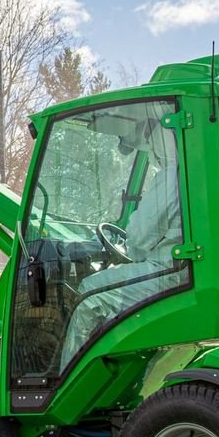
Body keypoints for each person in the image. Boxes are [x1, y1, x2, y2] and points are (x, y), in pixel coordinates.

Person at [58, 133, 185, 370]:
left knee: (89, 294)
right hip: (190, 270)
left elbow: (138, 239)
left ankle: (72, 376)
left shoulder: (172, 178)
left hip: (168, 274)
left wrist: (130, 250)